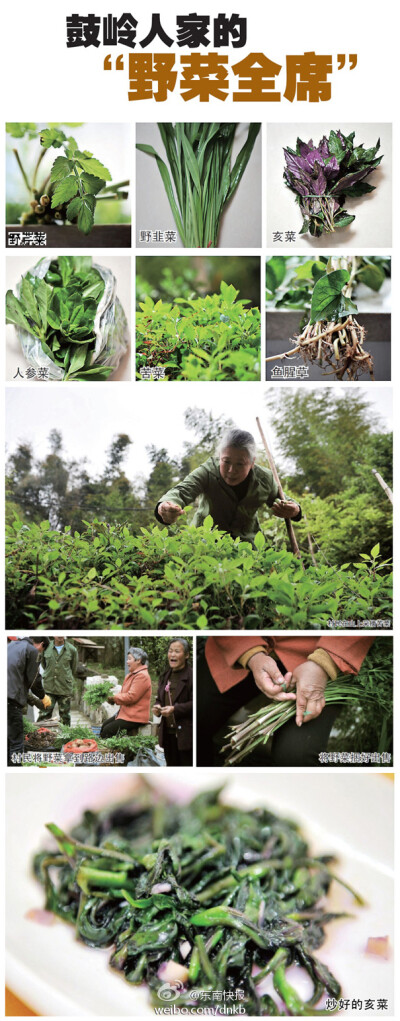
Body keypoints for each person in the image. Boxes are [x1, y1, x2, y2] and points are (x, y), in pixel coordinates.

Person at [197, 636, 374, 767]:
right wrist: (252, 655)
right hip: (239, 646)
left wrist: (323, 663)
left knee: (296, 756)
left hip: (318, 663)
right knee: (193, 717)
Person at [155, 428, 301, 543]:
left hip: (247, 548)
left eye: (240, 464)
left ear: (252, 463)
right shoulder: (207, 472)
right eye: (226, 461)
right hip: (204, 543)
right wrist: (166, 507)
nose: (231, 470)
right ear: (220, 457)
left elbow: (282, 499)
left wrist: (294, 510)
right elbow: (182, 491)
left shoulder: (264, 479)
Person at [7, 636, 51, 765]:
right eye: (41, 651)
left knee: (7, 740)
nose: (39, 653)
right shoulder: (31, 650)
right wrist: (43, 696)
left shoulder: (11, 646)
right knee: (16, 743)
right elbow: (34, 679)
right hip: (11, 701)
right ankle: (16, 776)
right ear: (41, 645)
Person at [153, 639, 193, 766]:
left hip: (186, 734)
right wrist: (157, 706)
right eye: (170, 651)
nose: (172, 655)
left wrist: (175, 709)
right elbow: (160, 698)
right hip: (168, 733)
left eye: (177, 651)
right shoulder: (165, 676)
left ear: (186, 655)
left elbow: (196, 703)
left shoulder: (192, 676)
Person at [100, 647, 152, 739]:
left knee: (107, 730)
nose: (127, 662)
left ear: (138, 660)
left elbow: (132, 697)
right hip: (126, 714)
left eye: (129, 659)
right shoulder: (132, 674)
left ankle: (112, 752)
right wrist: (113, 699)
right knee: (104, 725)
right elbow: (123, 693)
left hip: (135, 717)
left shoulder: (142, 676)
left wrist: (115, 698)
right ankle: (108, 750)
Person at [37, 636, 78, 727]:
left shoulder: (72, 649)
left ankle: (65, 737)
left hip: (64, 687)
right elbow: (44, 664)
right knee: (44, 714)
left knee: (65, 716)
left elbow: (73, 668)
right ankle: (39, 735)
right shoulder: (46, 648)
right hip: (49, 687)